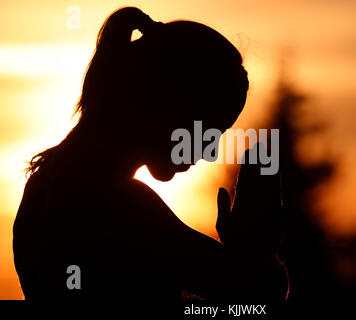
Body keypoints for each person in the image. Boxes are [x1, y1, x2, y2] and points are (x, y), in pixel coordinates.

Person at [13, 7, 288, 301]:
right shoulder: (120, 206)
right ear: (170, 103)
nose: (209, 151)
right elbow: (259, 291)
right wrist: (257, 246)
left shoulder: (42, 185)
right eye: (208, 129)